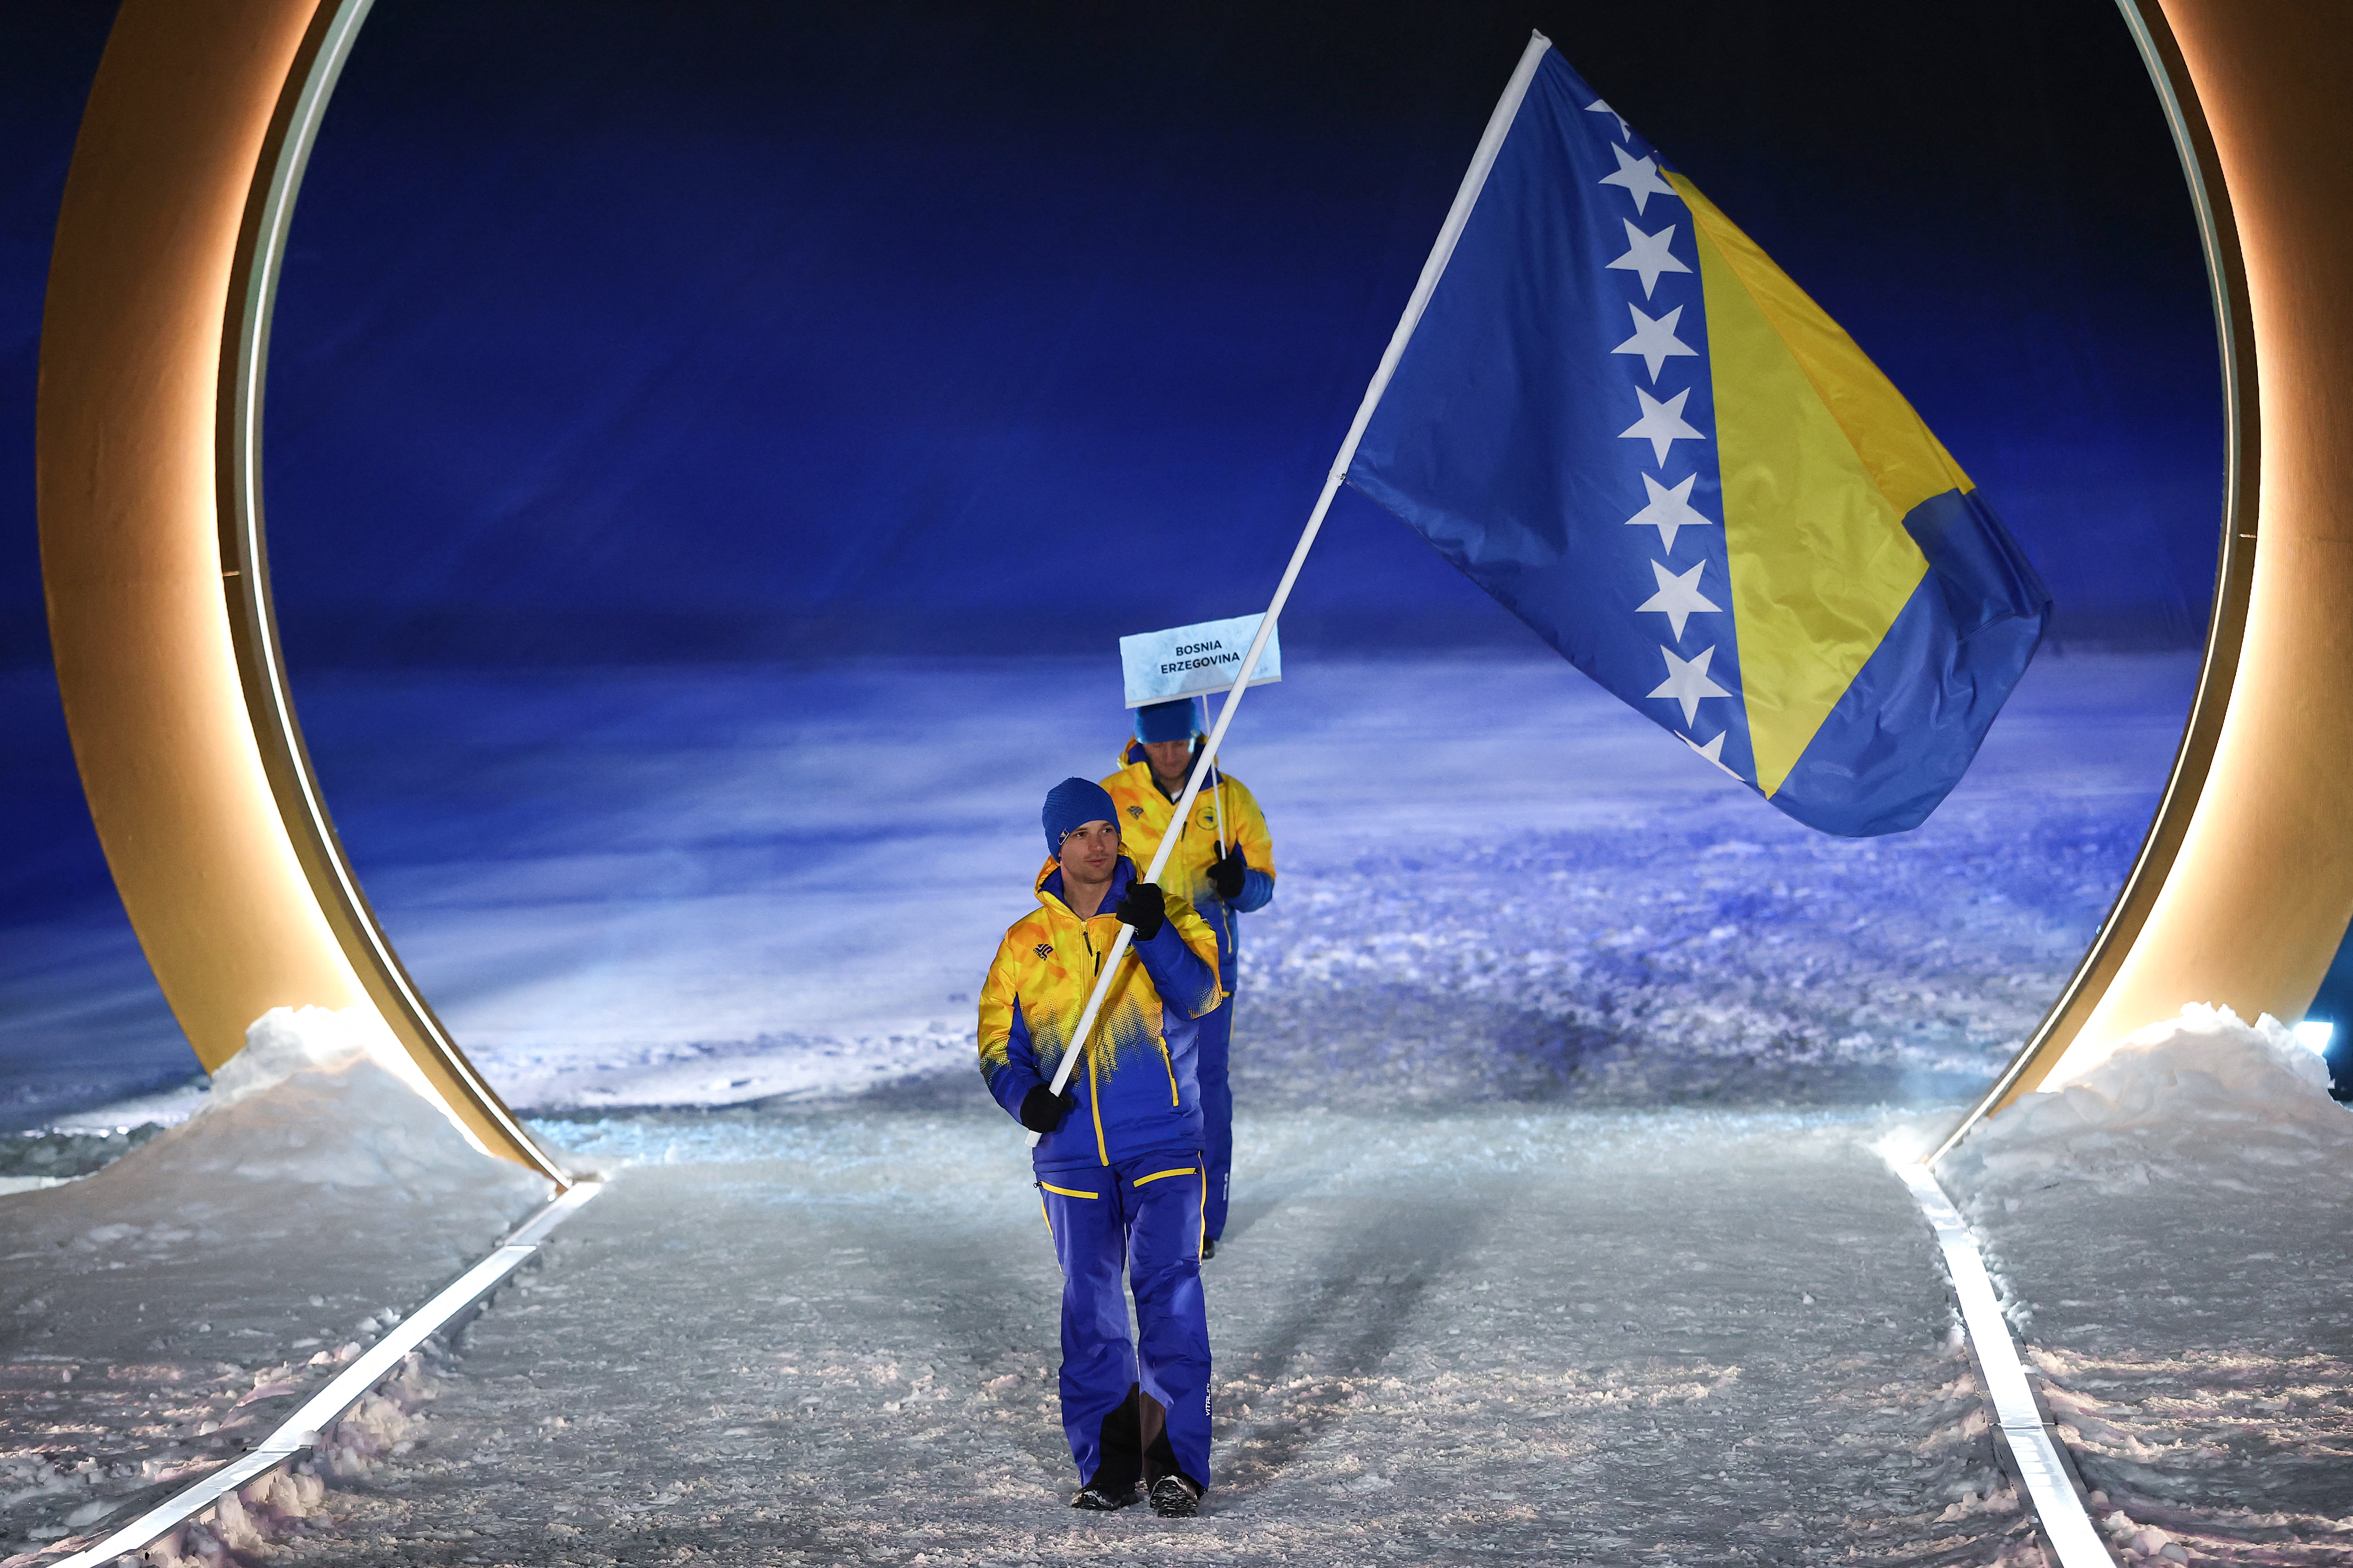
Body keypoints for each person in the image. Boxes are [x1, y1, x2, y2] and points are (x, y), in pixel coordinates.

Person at [977, 777, 1226, 1516]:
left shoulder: (1164, 914)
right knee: (1091, 1311)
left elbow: (1202, 995)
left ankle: (1176, 1463)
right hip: (1070, 1158)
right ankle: (1110, 1468)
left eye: (1107, 831)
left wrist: (1152, 934)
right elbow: (997, 1045)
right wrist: (1025, 1099)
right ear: (1056, 846)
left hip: (1164, 1146)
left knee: (1169, 1294)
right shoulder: (1025, 943)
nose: (1098, 845)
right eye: (1081, 833)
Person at [1102, 699, 1275, 1259]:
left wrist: (1238, 883)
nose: (1171, 755)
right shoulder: (1115, 798)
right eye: (1159, 744)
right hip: (1137, 964)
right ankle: (1139, 1212)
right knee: (1136, 1085)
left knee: (1204, 1086)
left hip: (1207, 967)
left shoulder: (1228, 800)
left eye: (1180, 742)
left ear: (1196, 737)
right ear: (1140, 741)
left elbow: (1262, 887)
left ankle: (1199, 1221)